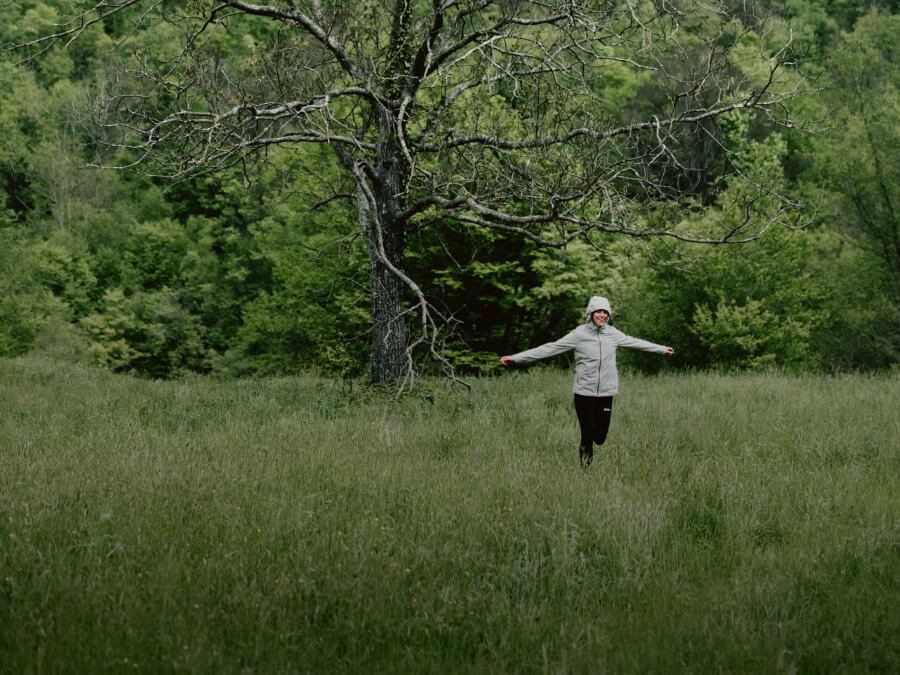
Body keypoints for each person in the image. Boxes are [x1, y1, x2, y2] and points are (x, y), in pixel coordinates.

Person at [500, 296, 674, 466]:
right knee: (587, 433)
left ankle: (589, 457)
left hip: (606, 393)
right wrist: (516, 358)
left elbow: (635, 342)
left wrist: (661, 349)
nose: (602, 315)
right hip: (584, 393)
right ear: (591, 313)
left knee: (599, 438)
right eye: (598, 311)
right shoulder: (578, 335)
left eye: (605, 312)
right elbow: (549, 348)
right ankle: (585, 470)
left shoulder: (613, 334)